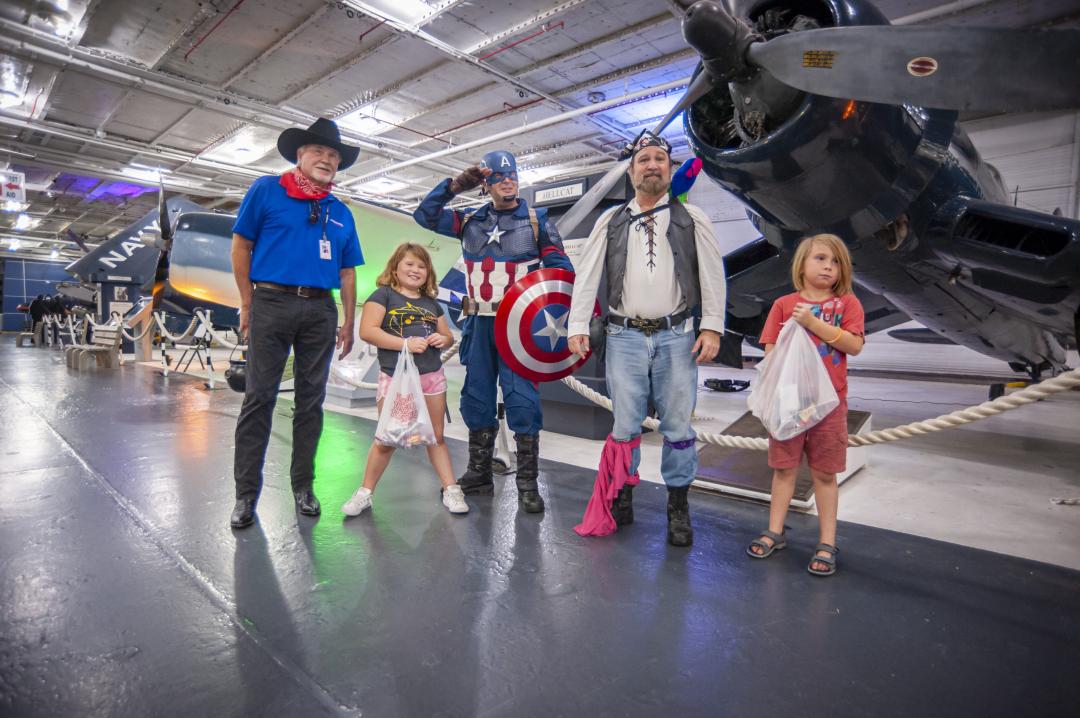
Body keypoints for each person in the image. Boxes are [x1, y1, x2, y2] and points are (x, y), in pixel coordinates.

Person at [567, 130, 727, 547]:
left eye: (660, 159)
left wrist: (712, 325)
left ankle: (678, 505)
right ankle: (622, 493)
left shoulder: (693, 218)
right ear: (632, 171)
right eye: (644, 160)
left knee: (677, 426)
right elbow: (587, 276)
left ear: (670, 169)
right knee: (624, 424)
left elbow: (712, 273)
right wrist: (578, 325)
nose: (652, 165)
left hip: (678, 336)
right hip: (623, 337)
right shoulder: (610, 220)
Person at [412, 150, 572, 513]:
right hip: (479, 324)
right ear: (485, 184)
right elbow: (424, 215)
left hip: (519, 327)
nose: (507, 180)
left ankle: (527, 483)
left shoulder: (536, 221)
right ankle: (479, 473)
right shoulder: (469, 220)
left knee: (522, 400)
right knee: (476, 397)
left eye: (511, 174)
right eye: (498, 176)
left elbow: (562, 271)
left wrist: (565, 319)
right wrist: (454, 187)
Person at [229, 118, 364, 529]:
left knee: (311, 402)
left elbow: (348, 272)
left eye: (334, 156)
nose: (327, 160)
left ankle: (303, 486)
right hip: (271, 302)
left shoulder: (339, 211)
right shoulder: (266, 190)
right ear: (300, 155)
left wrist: (348, 320)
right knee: (259, 398)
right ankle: (245, 495)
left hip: (320, 311)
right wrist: (247, 304)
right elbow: (241, 245)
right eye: (319, 152)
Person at [745, 233, 865, 576]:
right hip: (789, 403)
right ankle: (775, 530)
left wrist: (814, 323)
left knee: (824, 474)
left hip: (829, 405)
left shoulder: (848, 305)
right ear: (802, 264)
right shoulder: (784, 305)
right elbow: (770, 352)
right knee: (783, 469)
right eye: (821, 258)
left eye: (837, 261)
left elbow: (854, 346)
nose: (829, 266)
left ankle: (827, 541)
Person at [342, 243, 469, 516]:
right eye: (409, 264)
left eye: (421, 266)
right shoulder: (383, 296)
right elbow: (368, 331)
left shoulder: (431, 304)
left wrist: (442, 338)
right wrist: (405, 343)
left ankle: (450, 489)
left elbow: (447, 336)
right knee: (386, 438)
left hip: (432, 377)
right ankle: (365, 492)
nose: (415, 270)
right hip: (396, 379)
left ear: (428, 273)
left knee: (436, 436)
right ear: (396, 267)